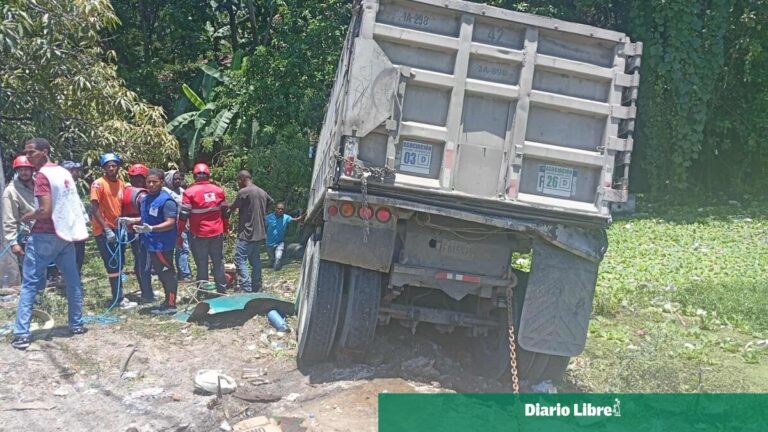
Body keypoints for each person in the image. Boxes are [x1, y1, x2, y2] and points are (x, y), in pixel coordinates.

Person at [11, 138, 88, 350]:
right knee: (73, 281)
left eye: (32, 152)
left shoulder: (43, 175)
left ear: (45, 151)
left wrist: (25, 217)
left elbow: (44, 210)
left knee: (29, 285)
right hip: (65, 235)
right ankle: (77, 324)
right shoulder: (63, 172)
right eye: (25, 153)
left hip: (44, 235)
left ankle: (21, 334)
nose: (28, 157)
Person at [121, 169, 179, 314]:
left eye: (155, 182)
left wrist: (151, 228)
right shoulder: (145, 199)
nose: (151, 185)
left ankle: (171, 305)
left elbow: (170, 222)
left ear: (161, 182)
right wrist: (131, 220)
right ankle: (166, 301)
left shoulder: (166, 201)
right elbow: (145, 218)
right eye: (149, 182)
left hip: (162, 244)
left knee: (167, 273)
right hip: (149, 243)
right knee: (158, 273)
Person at [91, 152, 135, 309]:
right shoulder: (98, 184)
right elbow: (94, 207)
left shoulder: (121, 183)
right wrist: (106, 228)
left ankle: (119, 295)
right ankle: (117, 298)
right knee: (112, 264)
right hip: (105, 231)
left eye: (114, 165)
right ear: (103, 168)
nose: (111, 168)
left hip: (118, 229)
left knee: (119, 262)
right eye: (108, 165)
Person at [180, 163, 228, 293]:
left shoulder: (189, 192)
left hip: (199, 234)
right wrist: (226, 228)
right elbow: (225, 212)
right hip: (217, 233)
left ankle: (202, 292)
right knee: (218, 262)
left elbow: (183, 215)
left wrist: (179, 233)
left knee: (202, 264)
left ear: (195, 176)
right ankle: (222, 291)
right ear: (208, 175)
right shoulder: (218, 190)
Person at [229, 171, 272, 291]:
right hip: (260, 232)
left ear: (242, 179)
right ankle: (257, 285)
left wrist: (226, 208)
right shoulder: (262, 192)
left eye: (238, 180)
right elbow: (270, 201)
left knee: (239, 259)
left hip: (247, 232)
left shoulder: (244, 192)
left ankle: (246, 286)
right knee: (255, 259)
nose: (238, 183)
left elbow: (233, 207)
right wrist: (261, 210)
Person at [122, 163, 152, 302]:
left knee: (139, 261)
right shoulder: (142, 195)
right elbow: (147, 216)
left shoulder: (125, 191)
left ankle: (145, 291)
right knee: (144, 263)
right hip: (141, 231)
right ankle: (147, 293)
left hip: (130, 231)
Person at [2, 156, 36, 272]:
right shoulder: (11, 191)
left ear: (32, 170)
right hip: (26, 236)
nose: (23, 172)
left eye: (26, 169)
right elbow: (8, 219)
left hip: (45, 233)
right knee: (30, 271)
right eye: (20, 170)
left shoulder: (39, 184)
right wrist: (13, 243)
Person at [163, 169, 192, 281]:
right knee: (182, 249)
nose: (178, 181)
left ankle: (182, 272)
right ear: (169, 180)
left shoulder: (181, 190)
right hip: (173, 224)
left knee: (183, 249)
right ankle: (184, 274)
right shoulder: (165, 192)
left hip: (184, 224)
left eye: (179, 178)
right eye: (175, 179)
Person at [61, 160, 89, 275]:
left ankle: (75, 275)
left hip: (77, 227)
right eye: (75, 170)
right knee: (72, 255)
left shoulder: (72, 185)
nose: (77, 173)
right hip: (69, 228)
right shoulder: (62, 186)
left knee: (79, 254)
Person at [265, 202, 304, 271]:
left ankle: (277, 265)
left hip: (280, 242)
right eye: (279, 209)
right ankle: (272, 262)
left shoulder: (286, 217)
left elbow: (296, 220)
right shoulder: (268, 218)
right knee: (272, 258)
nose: (280, 210)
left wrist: (304, 215)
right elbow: (262, 225)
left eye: (282, 209)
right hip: (269, 243)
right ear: (275, 209)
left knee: (278, 256)